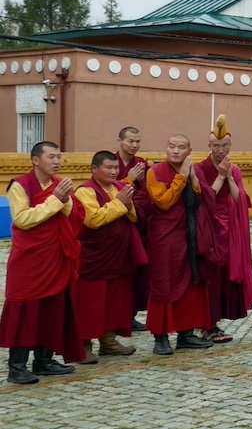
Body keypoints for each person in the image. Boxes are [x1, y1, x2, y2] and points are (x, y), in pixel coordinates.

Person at [0, 141, 85, 384]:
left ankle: (43, 360)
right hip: (30, 257)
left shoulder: (59, 185)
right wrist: (55, 201)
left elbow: (76, 218)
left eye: (59, 157)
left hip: (55, 255)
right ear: (36, 160)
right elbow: (23, 219)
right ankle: (16, 367)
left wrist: (65, 200)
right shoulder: (20, 185)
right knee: (25, 309)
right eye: (51, 157)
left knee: (53, 307)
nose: (57, 161)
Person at [144, 135, 216, 355]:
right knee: (163, 284)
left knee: (190, 282)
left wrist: (192, 179)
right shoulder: (154, 172)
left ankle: (185, 334)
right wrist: (181, 178)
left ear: (189, 151)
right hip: (164, 237)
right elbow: (163, 202)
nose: (175, 151)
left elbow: (202, 198)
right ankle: (161, 336)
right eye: (172, 146)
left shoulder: (193, 170)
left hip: (189, 235)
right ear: (165, 148)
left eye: (181, 147)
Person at [74, 151, 145, 361]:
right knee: (89, 302)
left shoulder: (121, 188)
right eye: (109, 168)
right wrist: (120, 203)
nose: (114, 172)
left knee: (115, 301)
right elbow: (92, 220)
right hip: (95, 256)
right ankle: (83, 346)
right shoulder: (85, 191)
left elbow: (133, 217)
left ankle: (109, 341)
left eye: (116, 168)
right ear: (94, 169)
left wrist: (127, 204)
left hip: (119, 255)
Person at [195, 115, 252, 342]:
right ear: (208, 146)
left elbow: (239, 199)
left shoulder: (235, 169)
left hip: (228, 229)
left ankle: (214, 324)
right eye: (216, 146)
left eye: (225, 146)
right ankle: (205, 325)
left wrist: (230, 177)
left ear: (231, 146)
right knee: (209, 277)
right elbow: (205, 197)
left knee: (222, 278)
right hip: (208, 226)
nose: (220, 150)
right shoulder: (199, 168)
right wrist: (220, 176)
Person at [116, 126, 152, 331]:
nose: (134, 145)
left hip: (138, 224)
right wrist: (128, 178)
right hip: (115, 223)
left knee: (137, 272)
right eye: (130, 141)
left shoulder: (142, 164)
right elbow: (105, 188)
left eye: (138, 141)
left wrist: (141, 181)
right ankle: (117, 315)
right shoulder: (109, 162)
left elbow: (148, 194)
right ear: (119, 141)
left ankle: (130, 315)